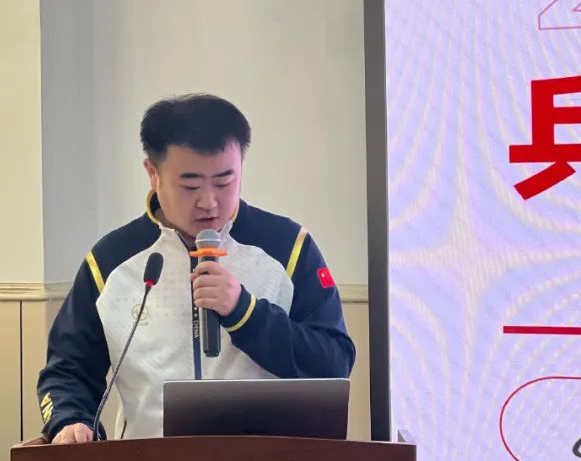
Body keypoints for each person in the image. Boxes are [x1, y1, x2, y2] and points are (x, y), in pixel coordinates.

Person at [36, 94, 356, 443]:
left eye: (224, 181)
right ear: (152, 173)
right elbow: (68, 370)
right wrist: (70, 419)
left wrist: (246, 313)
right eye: (190, 185)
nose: (209, 202)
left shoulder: (288, 247)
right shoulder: (111, 261)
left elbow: (334, 363)